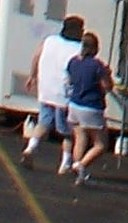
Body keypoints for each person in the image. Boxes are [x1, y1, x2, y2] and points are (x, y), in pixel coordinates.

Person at [21, 14, 85, 172]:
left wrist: (33, 75)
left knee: (43, 122)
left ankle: (31, 147)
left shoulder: (50, 40)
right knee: (67, 132)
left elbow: (36, 55)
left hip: (46, 88)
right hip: (64, 94)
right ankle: (65, 163)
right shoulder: (78, 49)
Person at [65, 30, 113, 184]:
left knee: (80, 138)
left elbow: (70, 81)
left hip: (74, 104)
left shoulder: (73, 62)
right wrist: (107, 74)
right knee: (101, 144)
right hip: (91, 106)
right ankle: (81, 165)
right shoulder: (97, 65)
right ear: (95, 48)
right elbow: (108, 86)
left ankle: (78, 171)